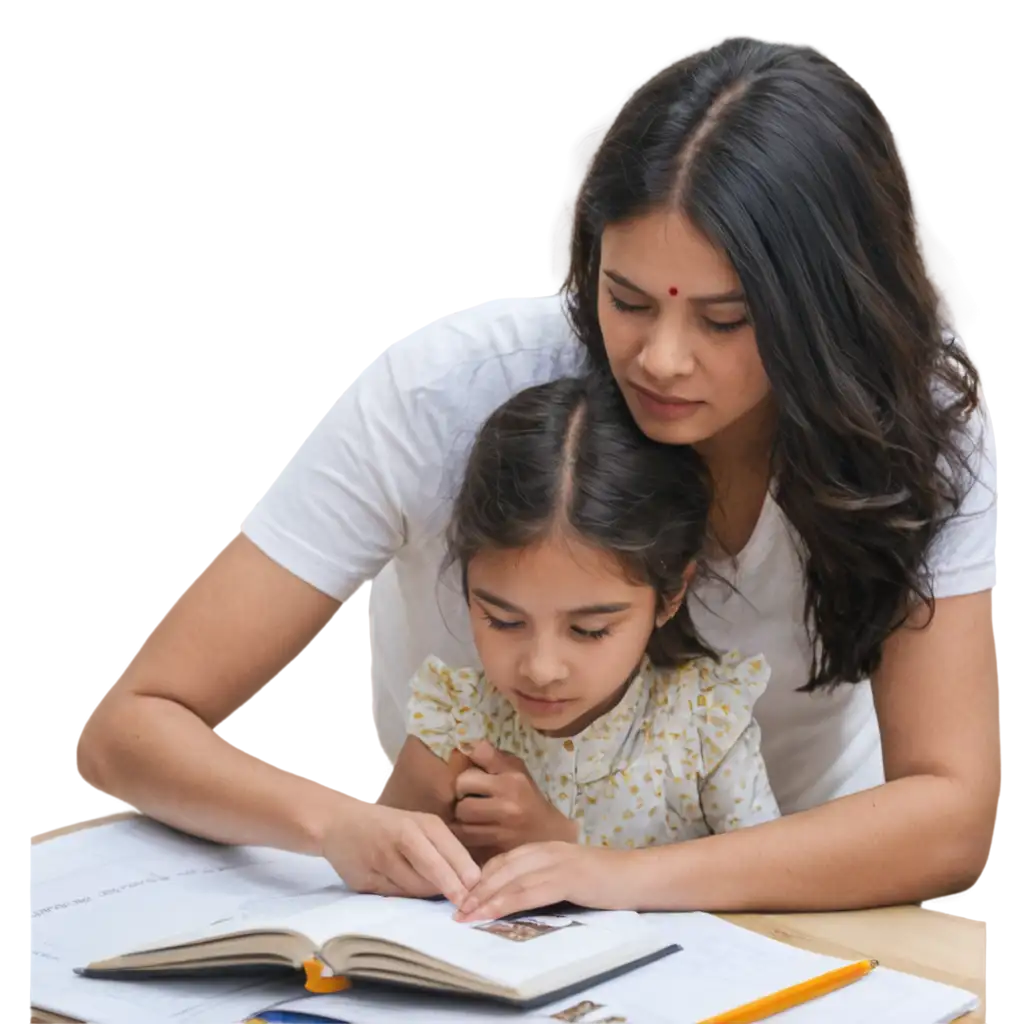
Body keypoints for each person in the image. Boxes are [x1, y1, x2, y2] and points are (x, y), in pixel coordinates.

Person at [73, 35, 999, 918]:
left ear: (830, 307)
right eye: (627, 301)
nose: (663, 360)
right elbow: (132, 725)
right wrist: (334, 826)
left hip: (785, 917)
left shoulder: (916, 423)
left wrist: (616, 878)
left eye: (725, 321)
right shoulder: (440, 393)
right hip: (471, 917)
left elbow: (948, 814)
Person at [381, 373, 779, 882]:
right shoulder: (456, 720)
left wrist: (564, 842)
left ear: (671, 594)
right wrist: (422, 804)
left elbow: (764, 883)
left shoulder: (704, 726)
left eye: (590, 630)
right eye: (503, 620)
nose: (541, 669)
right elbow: (387, 889)